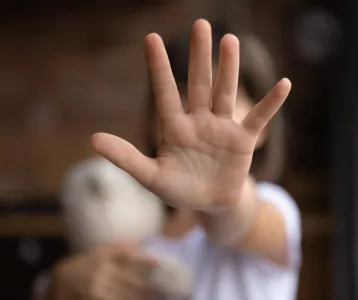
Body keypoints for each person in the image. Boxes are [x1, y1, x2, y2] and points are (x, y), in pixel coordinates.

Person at [44, 19, 301, 300]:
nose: (194, 111)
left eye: (218, 98)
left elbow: (238, 223)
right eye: (180, 94)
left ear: (263, 128)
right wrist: (59, 286)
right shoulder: (135, 222)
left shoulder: (275, 206)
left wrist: (221, 199)